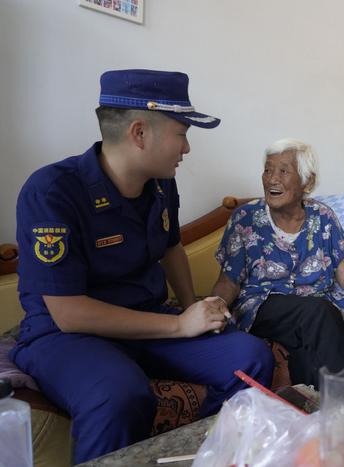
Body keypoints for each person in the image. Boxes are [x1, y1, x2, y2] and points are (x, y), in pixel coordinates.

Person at [10, 69, 275, 463]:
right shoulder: (52, 191)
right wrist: (179, 325)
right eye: (182, 133)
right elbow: (68, 312)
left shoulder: (160, 182)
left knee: (249, 357)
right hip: (64, 336)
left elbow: (171, 248)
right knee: (118, 394)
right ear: (139, 133)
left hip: (146, 320)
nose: (186, 148)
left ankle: (201, 453)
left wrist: (192, 308)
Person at [210, 139, 344, 387]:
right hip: (263, 305)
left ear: (307, 182)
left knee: (309, 345)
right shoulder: (246, 218)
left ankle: (310, 407)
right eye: (268, 170)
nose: (272, 179)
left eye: (283, 171)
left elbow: (343, 269)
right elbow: (229, 281)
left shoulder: (323, 217)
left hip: (315, 312)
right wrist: (214, 308)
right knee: (318, 312)